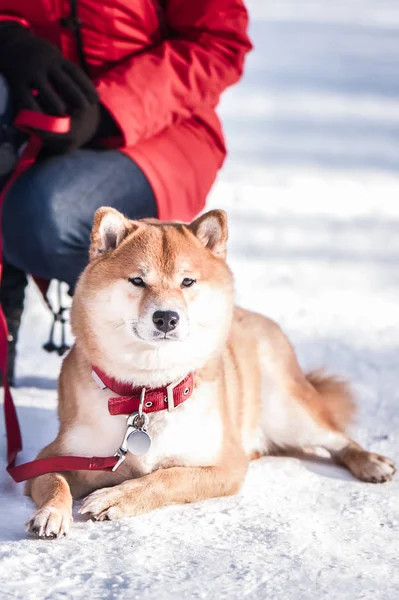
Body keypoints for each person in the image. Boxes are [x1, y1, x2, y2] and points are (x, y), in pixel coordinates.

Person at [0, 0, 252, 383]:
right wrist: (9, 38)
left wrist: (108, 111)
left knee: (46, 213)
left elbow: (217, 43)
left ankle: (148, 341)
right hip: (27, 108)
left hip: (159, 126)